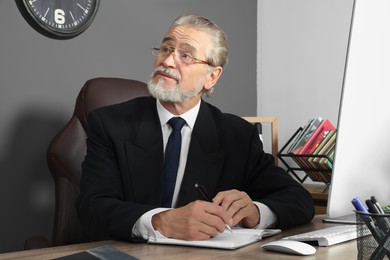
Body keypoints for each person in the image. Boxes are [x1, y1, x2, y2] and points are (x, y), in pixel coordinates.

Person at [76, 14, 314, 243]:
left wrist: (255, 212)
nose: (167, 61)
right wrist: (160, 222)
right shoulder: (110, 123)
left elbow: (299, 200)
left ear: (211, 77)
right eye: (166, 49)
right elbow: (92, 208)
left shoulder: (237, 135)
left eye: (186, 55)